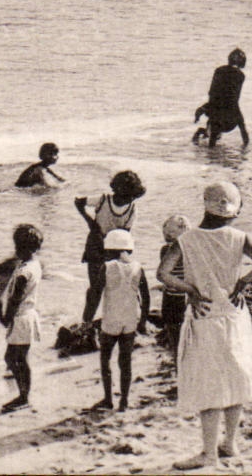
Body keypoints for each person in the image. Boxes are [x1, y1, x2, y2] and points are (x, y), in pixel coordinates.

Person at [161, 182, 252, 470]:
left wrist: (190, 290)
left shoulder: (186, 240)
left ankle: (209, 452)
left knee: (209, 384)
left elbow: (163, 273)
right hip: (234, 314)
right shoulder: (239, 236)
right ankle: (230, 443)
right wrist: (242, 284)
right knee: (235, 377)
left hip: (204, 314)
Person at [76, 171, 146, 324]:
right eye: (127, 196)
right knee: (95, 287)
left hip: (116, 247)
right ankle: (86, 321)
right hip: (96, 244)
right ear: (118, 190)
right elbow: (78, 202)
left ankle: (117, 318)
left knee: (118, 284)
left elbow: (126, 233)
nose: (129, 199)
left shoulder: (132, 208)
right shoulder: (102, 200)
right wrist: (91, 222)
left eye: (132, 197)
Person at [94, 229, 151, 412]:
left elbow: (95, 294)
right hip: (129, 320)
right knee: (125, 361)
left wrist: (87, 317)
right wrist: (142, 321)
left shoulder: (107, 267)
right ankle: (124, 401)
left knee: (105, 360)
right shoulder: (138, 268)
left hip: (111, 320)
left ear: (110, 249)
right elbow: (146, 296)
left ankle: (108, 399)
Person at [0, 224, 43, 412]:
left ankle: (24, 396)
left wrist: (6, 318)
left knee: (14, 358)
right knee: (17, 358)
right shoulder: (34, 264)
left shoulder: (24, 273)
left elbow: (15, 299)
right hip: (27, 315)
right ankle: (24, 393)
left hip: (21, 318)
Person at [194, 49, 250, 147]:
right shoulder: (240, 76)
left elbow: (212, 92)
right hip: (231, 114)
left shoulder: (219, 71)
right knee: (242, 128)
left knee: (212, 137)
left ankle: (202, 137)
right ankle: (246, 149)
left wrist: (206, 108)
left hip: (215, 109)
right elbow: (234, 97)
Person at [156, 215, 190, 352]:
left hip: (172, 297)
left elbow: (164, 275)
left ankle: (177, 360)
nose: (166, 235)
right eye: (165, 232)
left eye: (169, 232)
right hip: (187, 296)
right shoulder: (192, 249)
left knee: (174, 332)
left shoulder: (166, 250)